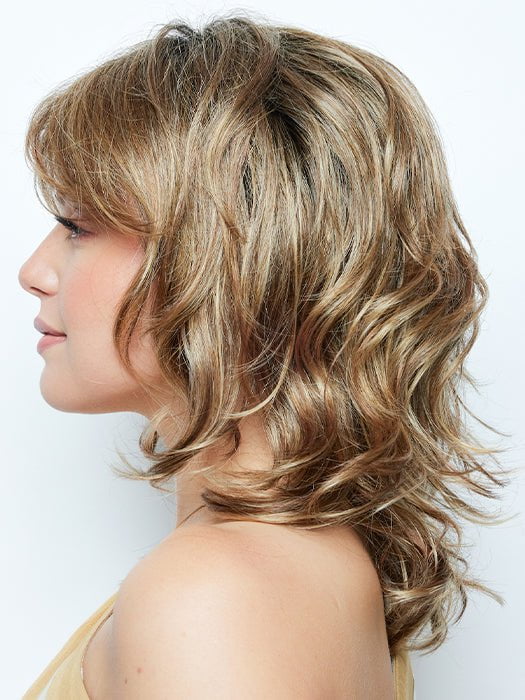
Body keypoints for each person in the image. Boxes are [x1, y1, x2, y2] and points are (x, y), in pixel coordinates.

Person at [18, 11, 508, 699]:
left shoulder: (214, 595)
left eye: (77, 225)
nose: (34, 272)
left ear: (230, 259)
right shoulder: (302, 564)